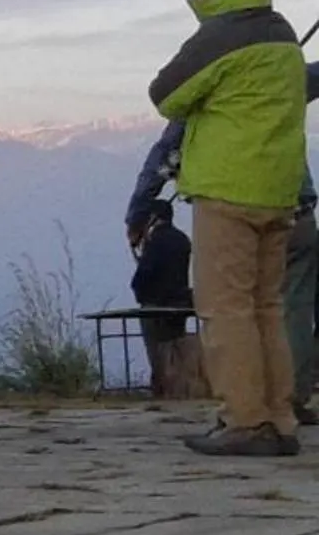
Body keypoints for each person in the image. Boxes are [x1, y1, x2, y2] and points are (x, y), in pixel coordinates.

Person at [147, 0, 308, 457]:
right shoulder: (281, 32)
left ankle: (243, 420)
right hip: (279, 189)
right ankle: (279, 418)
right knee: (267, 308)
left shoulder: (222, 34)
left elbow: (165, 94)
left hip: (226, 188)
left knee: (225, 309)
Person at [128, 60, 319, 421]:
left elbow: (162, 155)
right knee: (290, 307)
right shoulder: (282, 78)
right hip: (295, 207)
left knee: (233, 308)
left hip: (235, 210)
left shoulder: (208, 95)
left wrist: (137, 212)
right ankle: (290, 397)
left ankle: (247, 409)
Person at [129, 199, 201, 399]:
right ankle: (181, 388)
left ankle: (161, 389)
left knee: (157, 352)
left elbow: (144, 274)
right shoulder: (182, 239)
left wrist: (139, 289)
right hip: (180, 302)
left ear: (153, 217)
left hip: (155, 304)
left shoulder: (155, 241)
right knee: (176, 347)